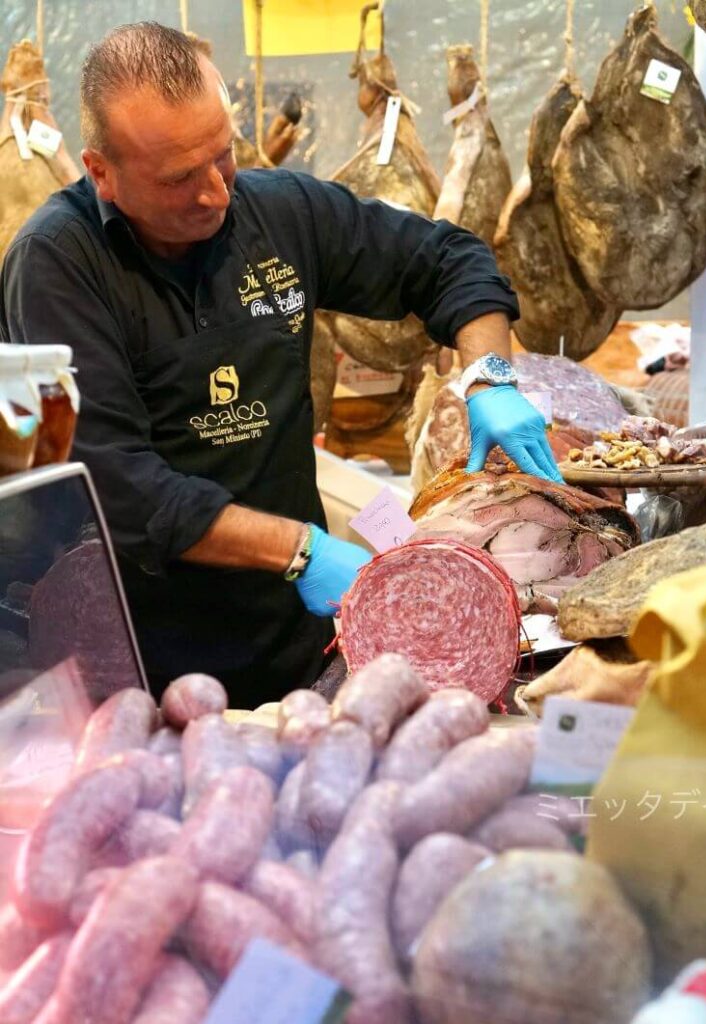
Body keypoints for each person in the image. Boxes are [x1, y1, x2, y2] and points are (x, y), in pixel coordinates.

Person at [0, 23, 561, 707]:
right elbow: (121, 486)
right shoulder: (58, 263)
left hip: (296, 641)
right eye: (180, 178)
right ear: (102, 174)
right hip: (138, 662)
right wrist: (301, 549)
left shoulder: (282, 211)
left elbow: (450, 261)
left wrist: (489, 380)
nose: (214, 194)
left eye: (223, 156)